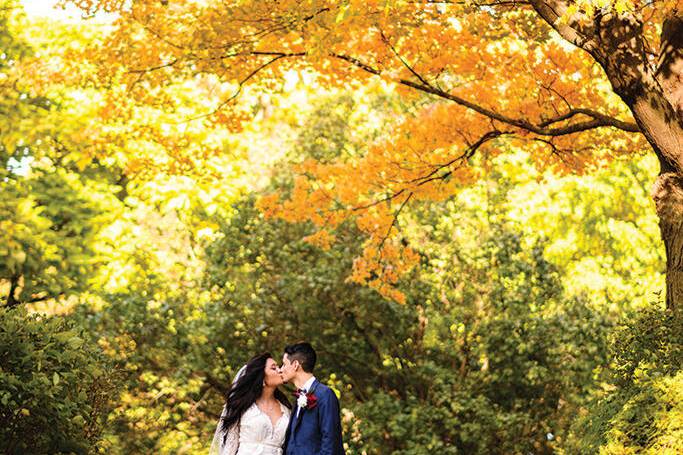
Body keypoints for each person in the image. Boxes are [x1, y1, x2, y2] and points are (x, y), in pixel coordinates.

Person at [210, 352, 292, 455]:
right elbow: (229, 447)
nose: (280, 370)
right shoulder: (242, 405)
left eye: (278, 367)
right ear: (261, 376)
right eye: (273, 368)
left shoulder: (286, 409)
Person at [279, 342, 345, 455]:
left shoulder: (325, 394)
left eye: (284, 364)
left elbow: (330, 444)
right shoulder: (298, 397)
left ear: (295, 365)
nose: (280, 369)